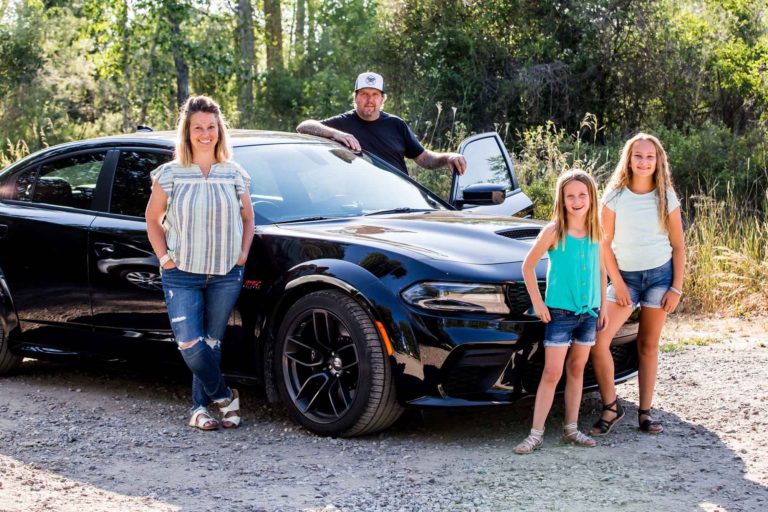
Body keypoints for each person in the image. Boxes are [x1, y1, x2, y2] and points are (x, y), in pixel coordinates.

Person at [145, 95, 255, 431]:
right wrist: (165, 258)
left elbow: (248, 219)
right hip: (182, 274)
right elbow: (152, 219)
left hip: (225, 273)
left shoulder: (234, 173)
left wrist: (242, 255)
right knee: (190, 344)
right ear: (187, 132)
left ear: (219, 131)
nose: (205, 134)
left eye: (211, 127)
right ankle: (225, 397)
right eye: (198, 128)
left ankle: (199, 409)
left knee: (212, 342)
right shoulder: (170, 174)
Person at [589, 133, 685, 436]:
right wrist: (618, 283)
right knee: (598, 340)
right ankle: (611, 406)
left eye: (650, 157)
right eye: (638, 156)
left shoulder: (665, 196)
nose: (644, 162)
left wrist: (676, 288)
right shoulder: (614, 196)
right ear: (628, 159)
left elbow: (679, 246)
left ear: (658, 162)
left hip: (659, 278)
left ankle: (645, 413)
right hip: (624, 278)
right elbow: (604, 244)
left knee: (648, 345)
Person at [513, 169, 608, 454]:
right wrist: (538, 303)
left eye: (582, 195)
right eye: (570, 196)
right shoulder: (554, 231)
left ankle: (571, 428)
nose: (577, 200)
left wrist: (601, 306)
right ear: (562, 199)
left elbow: (601, 271)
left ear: (591, 197)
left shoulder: (597, 231)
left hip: (588, 313)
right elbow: (527, 266)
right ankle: (535, 433)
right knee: (552, 372)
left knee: (577, 368)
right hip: (560, 314)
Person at [296, 71, 467, 176]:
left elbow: (425, 159)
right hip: (361, 206)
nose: (369, 100)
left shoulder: (396, 124)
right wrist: (336, 134)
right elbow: (303, 127)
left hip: (401, 198)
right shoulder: (342, 124)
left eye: (375, 94)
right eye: (364, 94)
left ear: (382, 99)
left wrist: (448, 157)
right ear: (355, 97)